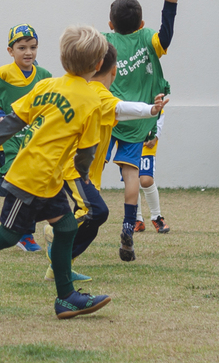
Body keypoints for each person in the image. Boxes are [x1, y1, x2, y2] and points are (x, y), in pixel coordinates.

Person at [0, 25, 112, 320]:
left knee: (66, 226)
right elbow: (87, 150)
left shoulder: (47, 85)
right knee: (8, 235)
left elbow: (12, 121)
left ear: (63, 58)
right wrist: (83, 171)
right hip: (31, 178)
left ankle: (66, 298)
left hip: (48, 178)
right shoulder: (91, 101)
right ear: (99, 64)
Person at [48, 43, 166, 280]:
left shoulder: (82, 89)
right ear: (113, 70)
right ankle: (57, 236)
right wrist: (151, 110)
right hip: (73, 169)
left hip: (80, 170)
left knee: (91, 222)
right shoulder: (98, 92)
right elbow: (121, 108)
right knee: (97, 212)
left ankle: (60, 268)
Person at [104, 0, 177, 262]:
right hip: (140, 119)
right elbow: (165, 37)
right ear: (142, 23)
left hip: (111, 115)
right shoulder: (148, 38)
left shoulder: (105, 41)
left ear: (110, 24)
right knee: (131, 174)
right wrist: (170, 7)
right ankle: (127, 226)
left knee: (91, 165)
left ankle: (82, 211)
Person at [0, 24, 52, 251]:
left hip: (31, 138)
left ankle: (24, 234)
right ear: (10, 51)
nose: (28, 52)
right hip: (6, 137)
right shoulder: (2, 74)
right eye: (22, 48)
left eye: (33, 47)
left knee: (31, 184)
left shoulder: (45, 76)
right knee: (16, 180)